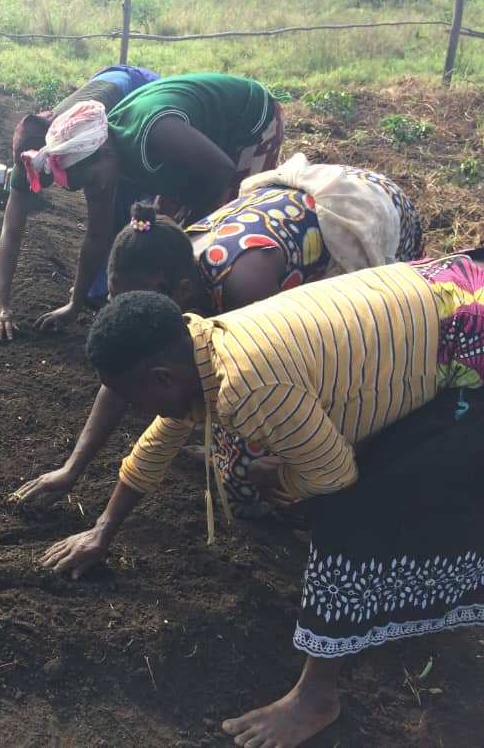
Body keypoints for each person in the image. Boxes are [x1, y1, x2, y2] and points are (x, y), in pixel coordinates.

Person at [41, 265, 484, 748]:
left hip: (466, 346)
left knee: (353, 511)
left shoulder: (247, 387)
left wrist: (279, 477)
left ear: (162, 377)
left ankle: (317, 697)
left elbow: (335, 476)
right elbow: (160, 439)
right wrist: (103, 529)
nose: (137, 409)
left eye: (133, 398)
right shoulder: (203, 343)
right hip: (447, 294)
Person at [14, 158, 424, 516]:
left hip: (366, 209)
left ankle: (333, 492)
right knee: (228, 419)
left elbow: (270, 379)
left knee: (257, 450)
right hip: (290, 211)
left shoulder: (244, 288)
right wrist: (72, 469)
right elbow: (126, 368)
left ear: (180, 293)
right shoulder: (160, 261)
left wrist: (279, 470)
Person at [0, 64, 159, 341]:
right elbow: (11, 230)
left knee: (133, 214)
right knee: (97, 280)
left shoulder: (89, 151)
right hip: (104, 88)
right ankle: (99, 292)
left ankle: (139, 295)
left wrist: (73, 306)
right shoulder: (28, 162)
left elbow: (97, 233)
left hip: (136, 93)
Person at [22, 73, 284, 245]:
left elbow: (221, 170)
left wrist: (192, 228)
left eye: (90, 182)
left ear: (105, 153)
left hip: (250, 121)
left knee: (222, 232)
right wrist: (75, 304)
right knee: (159, 230)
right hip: (200, 148)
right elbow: (97, 236)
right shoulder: (98, 162)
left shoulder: (155, 133)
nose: (94, 189)